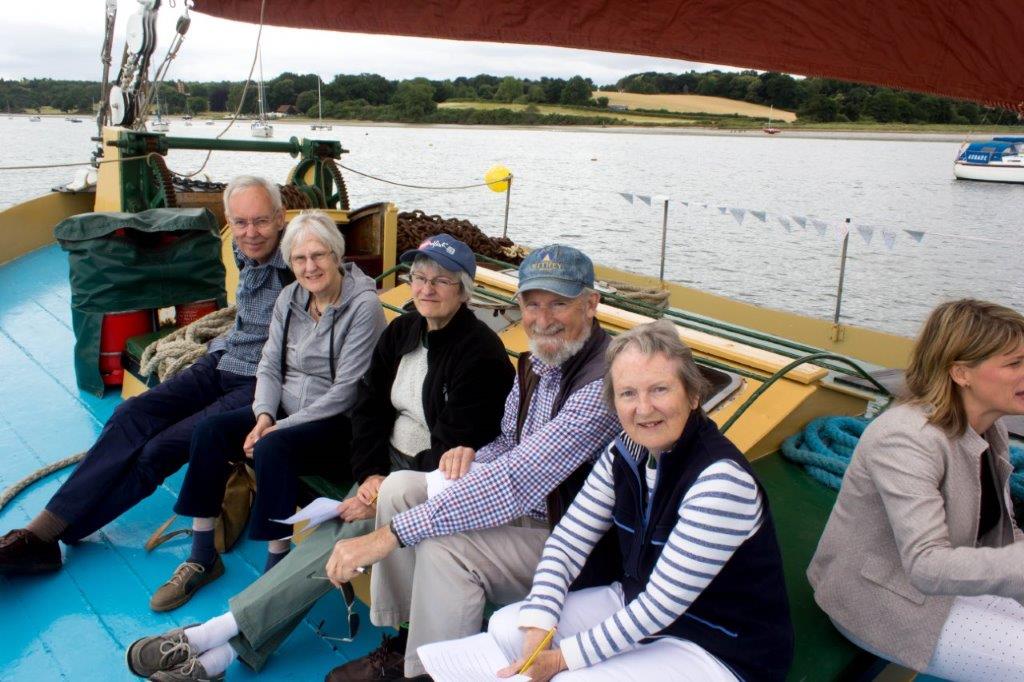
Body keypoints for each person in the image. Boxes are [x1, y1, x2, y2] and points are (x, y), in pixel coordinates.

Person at [125, 234, 515, 681]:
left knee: (336, 543)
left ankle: (206, 637)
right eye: (419, 277)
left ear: (463, 292)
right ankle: (217, 659)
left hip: (430, 483)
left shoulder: (479, 353)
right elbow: (369, 407)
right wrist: (370, 472)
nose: (426, 288)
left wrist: (381, 488)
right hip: (386, 467)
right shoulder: (406, 330)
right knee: (330, 539)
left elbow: (453, 448)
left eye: (441, 281)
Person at [324, 243, 623, 681]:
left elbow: (518, 480)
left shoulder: (602, 384)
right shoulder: (539, 362)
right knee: (399, 487)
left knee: (446, 550)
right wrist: (475, 456)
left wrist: (387, 537)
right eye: (532, 304)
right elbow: (509, 442)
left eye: (559, 303)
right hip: (528, 510)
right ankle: (405, 636)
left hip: (571, 536)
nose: (542, 319)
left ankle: (428, 671)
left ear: (591, 303)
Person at [0, 175, 293, 575]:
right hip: (223, 361)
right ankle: (41, 534)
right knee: (130, 414)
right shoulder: (243, 249)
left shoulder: (297, 261)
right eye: (240, 222)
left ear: (280, 218)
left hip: (263, 383)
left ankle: (52, 536)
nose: (250, 232)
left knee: (161, 449)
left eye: (260, 221)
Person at [484, 320, 794, 682]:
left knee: (571, 677)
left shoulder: (719, 481)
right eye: (628, 393)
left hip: (717, 644)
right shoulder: (625, 453)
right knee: (508, 627)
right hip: (637, 601)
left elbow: (660, 604)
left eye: (659, 389)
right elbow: (567, 543)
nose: (643, 409)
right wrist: (540, 621)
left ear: (693, 395)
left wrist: (560, 659)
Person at [147, 210, 387, 611]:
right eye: (299, 258)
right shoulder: (290, 298)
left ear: (336, 255)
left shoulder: (363, 308)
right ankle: (202, 556)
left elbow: (347, 391)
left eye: (319, 255)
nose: (310, 267)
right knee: (210, 432)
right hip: (284, 414)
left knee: (275, 448)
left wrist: (279, 429)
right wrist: (263, 416)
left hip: (337, 425)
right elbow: (270, 365)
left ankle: (274, 573)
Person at [807, 299, 1024, 679]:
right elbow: (927, 566)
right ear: (961, 373)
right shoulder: (906, 438)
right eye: (1015, 363)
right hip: (883, 602)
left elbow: (1001, 535)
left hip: (951, 583)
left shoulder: (990, 429)